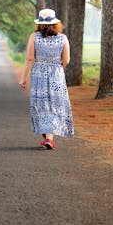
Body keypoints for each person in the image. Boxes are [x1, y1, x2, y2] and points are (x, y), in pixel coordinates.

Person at [19, 8, 74, 150]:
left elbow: (30, 58)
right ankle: (49, 138)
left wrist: (23, 78)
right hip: (57, 74)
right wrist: (56, 67)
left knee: (41, 104)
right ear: (56, 23)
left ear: (39, 24)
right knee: (54, 105)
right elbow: (66, 60)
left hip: (39, 74)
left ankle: (48, 137)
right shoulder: (63, 38)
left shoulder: (34, 37)